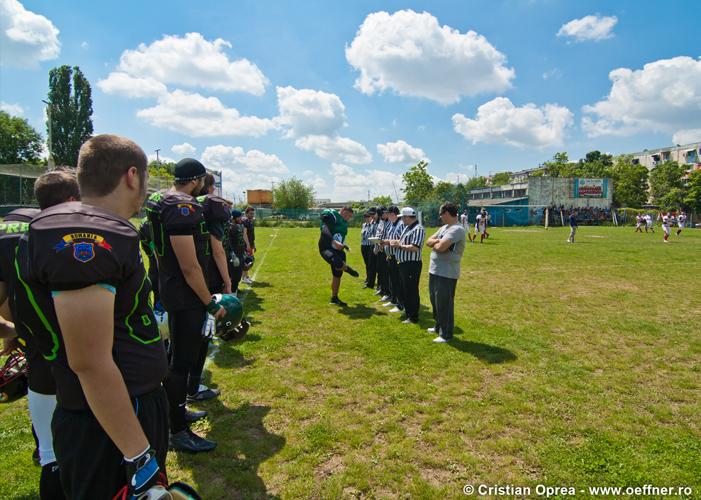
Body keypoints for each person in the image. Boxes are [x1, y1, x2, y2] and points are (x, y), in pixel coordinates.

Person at [18, 135, 170, 498]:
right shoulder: (88, 234)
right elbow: (89, 361)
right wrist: (139, 456)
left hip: (113, 410)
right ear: (132, 176)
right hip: (110, 420)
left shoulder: (84, 224)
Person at [0, 169, 79, 499]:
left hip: (35, 347)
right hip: (68, 349)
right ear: (72, 200)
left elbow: (4, 302)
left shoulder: (8, 229)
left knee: (49, 452)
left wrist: (13, 330)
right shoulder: (58, 234)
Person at [147, 157, 225, 453]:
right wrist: (208, 302)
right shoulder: (183, 206)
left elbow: (156, 250)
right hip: (186, 293)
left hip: (169, 286)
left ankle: (176, 413)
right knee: (181, 362)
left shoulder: (159, 199)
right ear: (196, 180)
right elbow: (190, 265)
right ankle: (177, 429)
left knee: (178, 358)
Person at [186, 173, 232, 404]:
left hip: (177, 278)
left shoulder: (182, 207)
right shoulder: (208, 207)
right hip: (206, 277)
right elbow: (217, 250)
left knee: (183, 339)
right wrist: (228, 280)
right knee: (203, 334)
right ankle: (192, 388)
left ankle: (186, 387)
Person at [426, 202, 466, 343]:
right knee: (434, 300)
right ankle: (438, 326)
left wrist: (437, 244)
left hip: (447, 272)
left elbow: (441, 247)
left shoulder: (457, 229)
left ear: (447, 213)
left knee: (444, 302)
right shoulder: (444, 228)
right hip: (435, 269)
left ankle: (446, 334)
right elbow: (428, 241)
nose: (440, 216)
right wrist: (437, 241)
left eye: (441, 214)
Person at [390, 207, 425, 325]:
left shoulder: (418, 229)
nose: (401, 220)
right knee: (405, 289)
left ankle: (413, 316)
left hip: (412, 264)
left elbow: (415, 247)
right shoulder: (407, 228)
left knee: (411, 290)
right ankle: (408, 312)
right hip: (403, 263)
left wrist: (399, 246)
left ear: (407, 217)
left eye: (402, 217)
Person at [318, 206, 359, 306]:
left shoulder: (344, 224)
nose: (347, 217)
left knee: (337, 275)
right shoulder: (333, 215)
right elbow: (324, 229)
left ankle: (334, 298)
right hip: (326, 247)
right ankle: (347, 269)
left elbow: (340, 237)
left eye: (349, 216)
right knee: (337, 262)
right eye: (346, 214)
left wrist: (344, 245)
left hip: (338, 249)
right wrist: (333, 241)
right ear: (341, 211)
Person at [381, 206, 404, 313]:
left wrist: (387, 242)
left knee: (397, 281)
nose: (387, 216)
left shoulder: (401, 224)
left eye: (388, 214)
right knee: (392, 280)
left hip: (397, 256)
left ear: (393, 214)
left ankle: (400, 303)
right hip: (390, 255)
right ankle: (393, 299)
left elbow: (400, 240)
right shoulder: (392, 224)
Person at [226, 209, 247, 295]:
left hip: (240, 253)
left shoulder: (238, 226)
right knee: (234, 276)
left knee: (237, 276)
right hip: (235, 254)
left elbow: (240, 240)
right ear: (234, 217)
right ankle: (233, 294)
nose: (241, 218)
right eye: (239, 217)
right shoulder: (231, 227)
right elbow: (228, 242)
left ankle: (235, 291)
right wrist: (232, 254)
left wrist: (244, 251)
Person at [360, 209, 377, 289]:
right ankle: (368, 278)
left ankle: (370, 280)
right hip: (363, 245)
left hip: (370, 245)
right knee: (367, 264)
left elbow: (370, 235)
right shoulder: (364, 225)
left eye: (368, 216)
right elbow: (363, 235)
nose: (366, 218)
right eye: (365, 217)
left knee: (371, 264)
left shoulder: (373, 225)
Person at [241, 207, 256, 285]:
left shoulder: (251, 221)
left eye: (253, 213)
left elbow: (252, 235)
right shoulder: (245, 222)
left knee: (249, 261)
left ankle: (246, 276)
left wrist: (254, 244)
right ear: (246, 214)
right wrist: (247, 245)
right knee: (247, 261)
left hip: (251, 243)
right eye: (250, 213)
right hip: (247, 245)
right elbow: (244, 234)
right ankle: (244, 278)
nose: (252, 215)